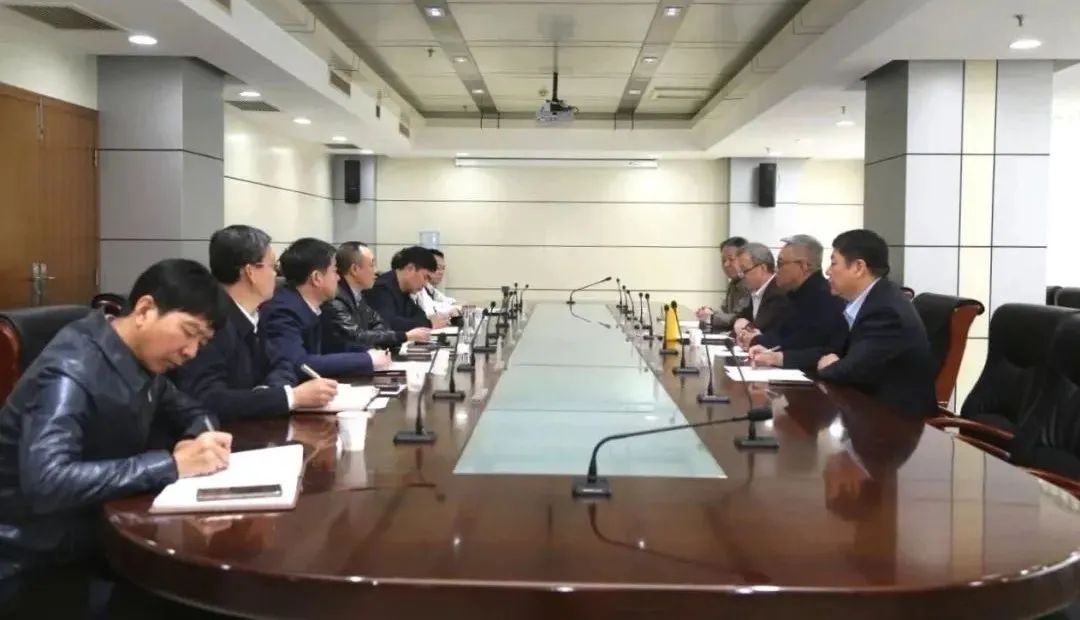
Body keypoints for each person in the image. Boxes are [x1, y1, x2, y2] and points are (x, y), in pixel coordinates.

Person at [0, 259, 235, 614]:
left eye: (201, 342)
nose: (191, 352)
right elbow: (48, 481)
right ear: (144, 310)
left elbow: (192, 410)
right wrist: (171, 465)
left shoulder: (137, 354)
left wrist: (199, 438)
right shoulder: (71, 369)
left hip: (95, 532)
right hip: (35, 560)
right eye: (189, 332)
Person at [175, 226, 339, 421]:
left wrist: (268, 392)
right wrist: (289, 397)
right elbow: (208, 399)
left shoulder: (254, 314)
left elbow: (282, 363)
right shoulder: (209, 322)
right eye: (272, 266)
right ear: (250, 272)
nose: (276, 275)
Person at [813, 229, 937, 417]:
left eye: (833, 263)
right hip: (865, 409)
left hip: (896, 421)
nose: (828, 271)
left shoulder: (885, 311)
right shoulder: (867, 300)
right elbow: (833, 352)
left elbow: (850, 371)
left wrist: (829, 366)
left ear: (858, 267)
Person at [263, 238, 391, 377]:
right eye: (335, 271)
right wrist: (367, 360)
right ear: (317, 278)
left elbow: (333, 346)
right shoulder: (284, 310)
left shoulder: (315, 305)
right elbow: (298, 363)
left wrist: (367, 352)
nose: (338, 278)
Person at [745, 234, 848, 369]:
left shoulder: (824, 298)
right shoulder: (794, 294)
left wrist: (771, 352)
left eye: (780, 263)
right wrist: (760, 342)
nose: (775, 269)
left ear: (804, 266)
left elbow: (806, 345)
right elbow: (780, 335)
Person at [322, 241, 432, 352]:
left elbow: (379, 321)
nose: (376, 271)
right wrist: (404, 336)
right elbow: (356, 336)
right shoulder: (335, 298)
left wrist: (378, 336)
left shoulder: (358, 295)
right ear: (355, 269)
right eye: (372, 265)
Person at [363, 245, 449, 332]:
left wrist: (427, 322)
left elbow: (420, 316)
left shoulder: (405, 290)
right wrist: (429, 324)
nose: (425, 284)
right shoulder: (381, 288)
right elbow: (388, 323)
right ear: (410, 268)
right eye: (425, 277)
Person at [729, 242, 790, 337]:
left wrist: (745, 326)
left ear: (763, 268)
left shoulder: (779, 292)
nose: (741, 276)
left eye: (744, 270)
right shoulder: (755, 291)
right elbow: (741, 321)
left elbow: (762, 329)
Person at [696, 236, 750, 330]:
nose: (726, 264)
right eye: (723, 260)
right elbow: (725, 312)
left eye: (731, 259)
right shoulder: (733, 283)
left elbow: (739, 318)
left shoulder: (751, 284)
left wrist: (712, 316)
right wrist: (709, 312)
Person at [413, 248, 461, 320]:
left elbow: (445, 301)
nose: (441, 272)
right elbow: (430, 311)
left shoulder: (430, 288)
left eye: (443, 268)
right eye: (437, 268)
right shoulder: (417, 288)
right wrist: (449, 311)